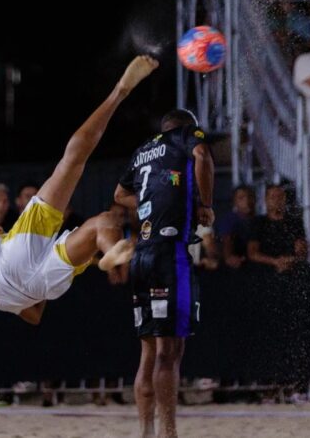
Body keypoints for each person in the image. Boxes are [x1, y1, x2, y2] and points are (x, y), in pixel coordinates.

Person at [0, 55, 158, 325]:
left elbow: (34, 317)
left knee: (104, 222)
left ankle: (112, 252)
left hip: (44, 285)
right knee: (70, 164)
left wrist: (30, 285)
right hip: (15, 264)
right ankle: (119, 92)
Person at [113, 108, 215, 438]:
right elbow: (202, 156)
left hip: (141, 254)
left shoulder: (143, 150)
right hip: (169, 256)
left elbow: (119, 194)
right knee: (170, 353)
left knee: (149, 351)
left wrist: (149, 203)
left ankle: (145, 431)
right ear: (186, 128)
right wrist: (207, 203)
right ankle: (168, 433)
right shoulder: (187, 135)